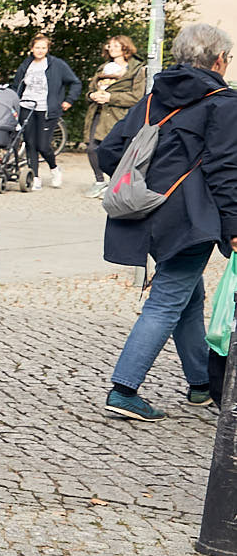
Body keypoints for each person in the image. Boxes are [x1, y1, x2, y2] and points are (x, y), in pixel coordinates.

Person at [91, 23, 237, 421]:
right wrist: (233, 225)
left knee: (187, 297)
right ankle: (124, 389)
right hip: (189, 219)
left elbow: (110, 151)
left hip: (147, 211)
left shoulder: (155, 96)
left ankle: (201, 384)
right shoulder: (223, 103)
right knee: (167, 301)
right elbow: (226, 169)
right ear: (218, 60)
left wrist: (150, 181)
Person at [11, 33, 82, 191]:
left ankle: (54, 169)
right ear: (31, 48)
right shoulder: (26, 64)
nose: (40, 50)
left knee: (43, 145)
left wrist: (69, 100)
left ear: (48, 49)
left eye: (43, 48)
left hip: (47, 109)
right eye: (37, 47)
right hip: (27, 107)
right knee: (30, 143)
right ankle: (35, 177)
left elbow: (75, 82)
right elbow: (17, 85)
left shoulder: (57, 65)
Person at [84, 35, 147, 196]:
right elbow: (90, 90)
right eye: (109, 45)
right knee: (91, 148)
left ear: (125, 48)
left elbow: (137, 97)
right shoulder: (103, 68)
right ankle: (99, 181)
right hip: (98, 113)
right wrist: (92, 95)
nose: (111, 48)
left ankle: (115, 184)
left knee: (115, 151)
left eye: (116, 45)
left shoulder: (137, 69)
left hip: (119, 116)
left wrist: (111, 98)